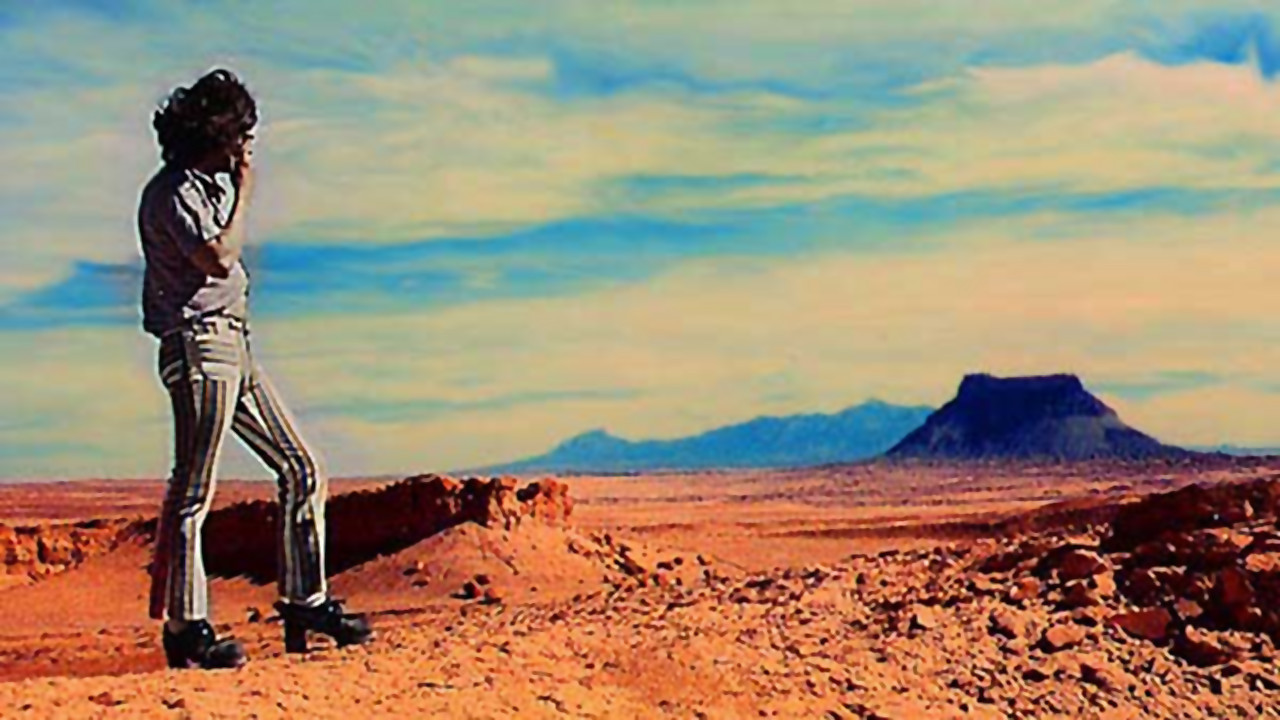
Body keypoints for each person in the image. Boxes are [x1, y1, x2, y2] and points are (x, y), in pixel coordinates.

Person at [138, 69, 371, 670]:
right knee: (193, 490)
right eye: (241, 133)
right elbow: (218, 258)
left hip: (234, 345)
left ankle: (305, 601)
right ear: (216, 133)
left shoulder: (205, 186)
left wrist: (234, 186)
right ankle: (186, 629)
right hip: (200, 345)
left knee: (302, 466)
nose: (248, 144)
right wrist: (245, 190)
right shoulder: (173, 192)